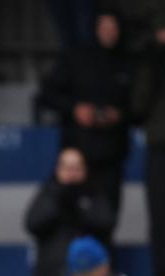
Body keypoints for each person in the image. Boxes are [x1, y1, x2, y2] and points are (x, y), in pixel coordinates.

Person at [39, 9, 134, 217]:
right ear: (95, 29)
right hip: (78, 151)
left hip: (112, 154)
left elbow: (139, 105)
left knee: (107, 214)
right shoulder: (76, 58)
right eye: (104, 27)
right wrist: (75, 109)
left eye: (113, 28)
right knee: (71, 213)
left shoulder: (127, 62)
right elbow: (46, 95)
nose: (108, 33)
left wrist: (119, 115)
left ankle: (104, 250)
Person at [25, 148, 115, 276]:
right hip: (52, 274)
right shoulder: (49, 192)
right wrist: (59, 203)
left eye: (76, 168)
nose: (72, 173)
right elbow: (31, 224)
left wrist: (81, 208)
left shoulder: (93, 192)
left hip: (88, 275)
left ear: (84, 170)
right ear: (58, 169)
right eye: (67, 168)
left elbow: (106, 223)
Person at [132, 10, 165, 276]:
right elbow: (138, 105)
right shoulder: (150, 62)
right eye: (164, 31)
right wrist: (157, 63)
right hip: (160, 146)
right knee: (161, 217)